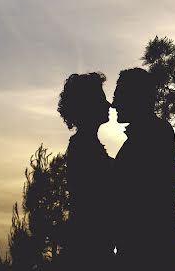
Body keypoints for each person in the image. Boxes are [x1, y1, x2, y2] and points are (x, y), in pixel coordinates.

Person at [112, 67, 175, 271]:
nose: (114, 103)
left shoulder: (155, 134)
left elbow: (147, 199)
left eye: (119, 95)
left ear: (135, 97)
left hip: (150, 254)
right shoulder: (148, 134)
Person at [58, 72, 115, 269]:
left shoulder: (85, 144)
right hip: (90, 250)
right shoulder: (83, 147)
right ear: (87, 105)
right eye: (101, 99)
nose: (108, 104)